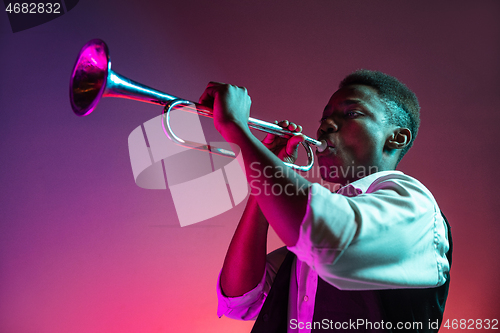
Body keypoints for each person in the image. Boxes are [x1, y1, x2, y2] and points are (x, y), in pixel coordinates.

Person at [198, 70, 452, 332]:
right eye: (325, 117)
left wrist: (236, 127)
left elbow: (328, 241)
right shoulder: (323, 231)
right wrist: (264, 178)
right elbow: (239, 301)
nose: (326, 125)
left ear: (397, 138)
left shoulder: (415, 205)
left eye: (352, 113)